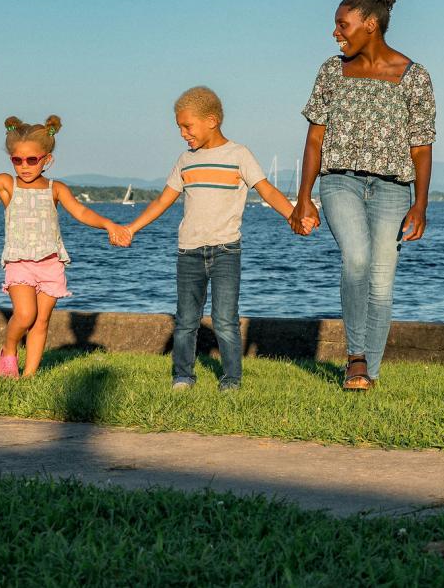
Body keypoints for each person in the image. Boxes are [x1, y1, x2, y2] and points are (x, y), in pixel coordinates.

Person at [289, 0, 435, 391]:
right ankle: (355, 357)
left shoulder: (414, 76)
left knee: (382, 279)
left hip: (393, 189)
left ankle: (368, 372)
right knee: (356, 259)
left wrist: (420, 204)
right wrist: (303, 199)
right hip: (340, 182)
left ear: (370, 24)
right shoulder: (332, 72)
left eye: (342, 25)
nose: (335, 33)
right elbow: (315, 137)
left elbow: (421, 147)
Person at [124, 87, 307, 391]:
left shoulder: (238, 155)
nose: (183, 133)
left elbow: (268, 190)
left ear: (211, 120)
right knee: (186, 320)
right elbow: (161, 201)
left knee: (224, 320)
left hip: (225, 251)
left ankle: (231, 379)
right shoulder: (185, 160)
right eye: (180, 127)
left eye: (187, 126)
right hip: (188, 252)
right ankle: (183, 376)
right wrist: (131, 228)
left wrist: (293, 216)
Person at [0, 116, 131, 378]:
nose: (24, 166)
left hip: (51, 263)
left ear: (47, 159)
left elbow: (82, 212)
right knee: (26, 315)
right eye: (18, 160)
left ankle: (28, 376)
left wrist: (108, 224)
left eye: (32, 160)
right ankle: (9, 350)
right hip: (20, 261)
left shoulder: (55, 189)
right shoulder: (8, 184)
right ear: (11, 160)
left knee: (41, 321)